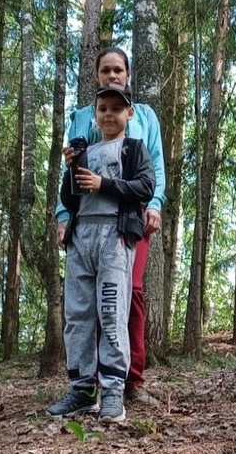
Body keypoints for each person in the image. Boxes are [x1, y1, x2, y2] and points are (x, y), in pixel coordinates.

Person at [55, 48, 166, 405]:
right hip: (85, 225)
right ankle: (86, 384)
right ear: (97, 75)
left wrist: (155, 205)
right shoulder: (83, 117)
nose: (113, 75)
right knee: (83, 304)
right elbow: (71, 173)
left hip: (129, 218)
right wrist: (63, 216)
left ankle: (128, 380)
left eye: (119, 69)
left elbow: (154, 169)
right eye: (106, 70)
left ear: (128, 74)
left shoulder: (144, 117)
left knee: (125, 294)